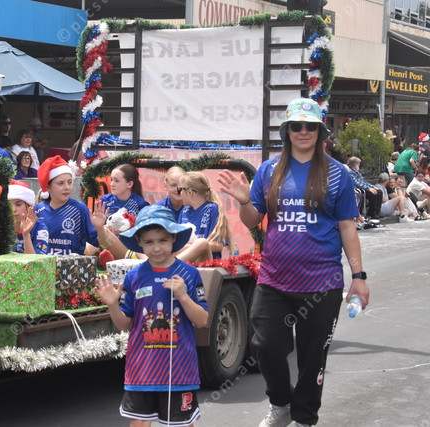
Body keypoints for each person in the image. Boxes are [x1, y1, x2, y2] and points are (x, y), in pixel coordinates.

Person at [217, 98, 369, 427]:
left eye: (310, 126)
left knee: (312, 358)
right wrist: (244, 201)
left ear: (320, 131)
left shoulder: (338, 174)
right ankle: (282, 404)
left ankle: (304, 418)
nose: (303, 131)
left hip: (322, 283)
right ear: (286, 131)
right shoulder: (269, 171)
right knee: (265, 346)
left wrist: (359, 276)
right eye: (296, 126)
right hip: (274, 279)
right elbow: (253, 219)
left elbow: (347, 226)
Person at [94, 204, 208, 427]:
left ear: (173, 238)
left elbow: (202, 321)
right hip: (142, 370)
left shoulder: (189, 274)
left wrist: (183, 296)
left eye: (163, 240)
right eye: (149, 242)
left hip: (179, 372)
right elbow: (124, 324)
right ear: (139, 242)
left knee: (182, 424)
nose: (156, 248)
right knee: (139, 423)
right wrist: (112, 305)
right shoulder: (133, 276)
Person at [35, 156, 99, 255]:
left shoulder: (79, 209)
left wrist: (101, 229)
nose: (67, 187)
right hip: (44, 265)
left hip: (72, 265)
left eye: (69, 182)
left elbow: (97, 242)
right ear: (48, 187)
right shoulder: (38, 210)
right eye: (60, 183)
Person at [178, 171, 235, 260]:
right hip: (187, 262)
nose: (179, 194)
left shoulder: (212, 209)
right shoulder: (184, 211)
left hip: (207, 263)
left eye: (180, 190)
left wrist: (189, 248)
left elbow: (218, 245)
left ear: (189, 192)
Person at [8, 181, 49, 254]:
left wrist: (26, 234)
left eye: (18, 204)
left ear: (30, 206)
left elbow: (36, 260)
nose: (13, 209)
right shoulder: (2, 228)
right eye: (9, 205)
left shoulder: (40, 229)